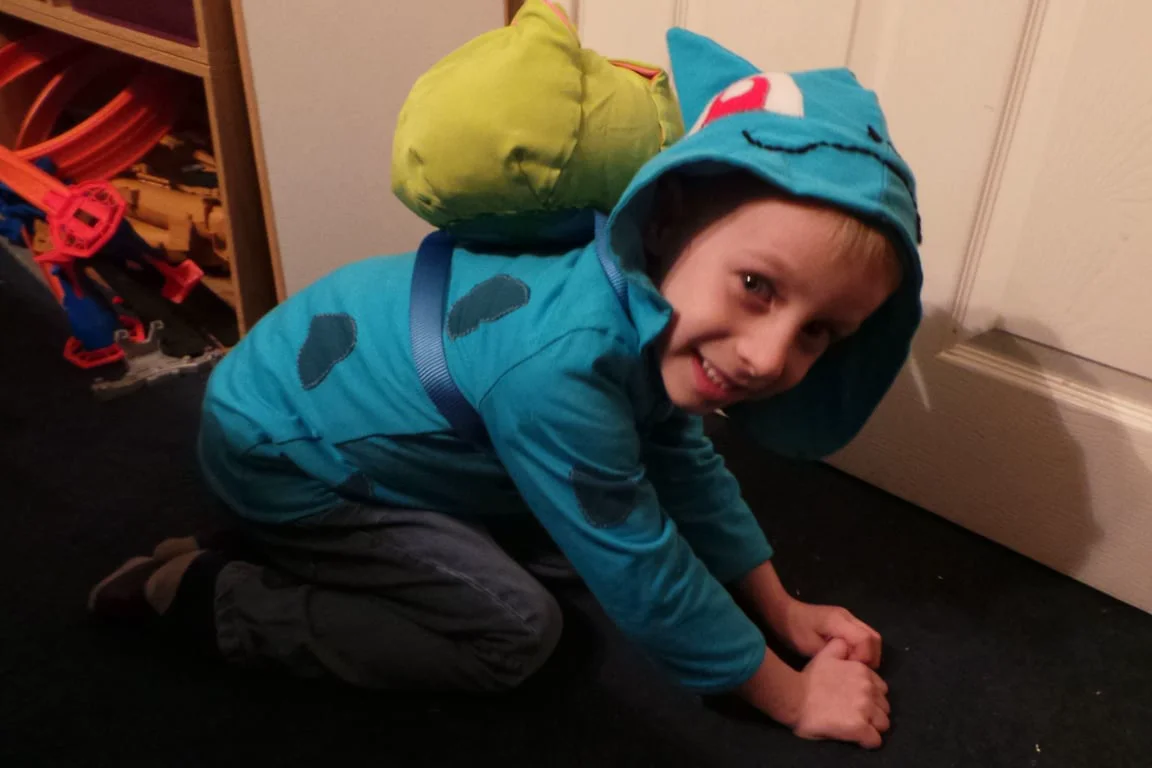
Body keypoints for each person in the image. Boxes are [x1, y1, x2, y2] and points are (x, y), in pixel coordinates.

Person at [88, 27, 922, 751]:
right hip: (285, 455)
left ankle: (312, 552)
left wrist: (781, 609)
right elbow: (637, 557)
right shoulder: (561, 366)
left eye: (818, 331)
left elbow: (678, 455)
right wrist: (790, 695)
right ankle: (212, 598)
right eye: (757, 286)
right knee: (518, 633)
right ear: (667, 218)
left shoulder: (640, 290)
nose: (770, 359)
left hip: (343, 422)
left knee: (590, 523)